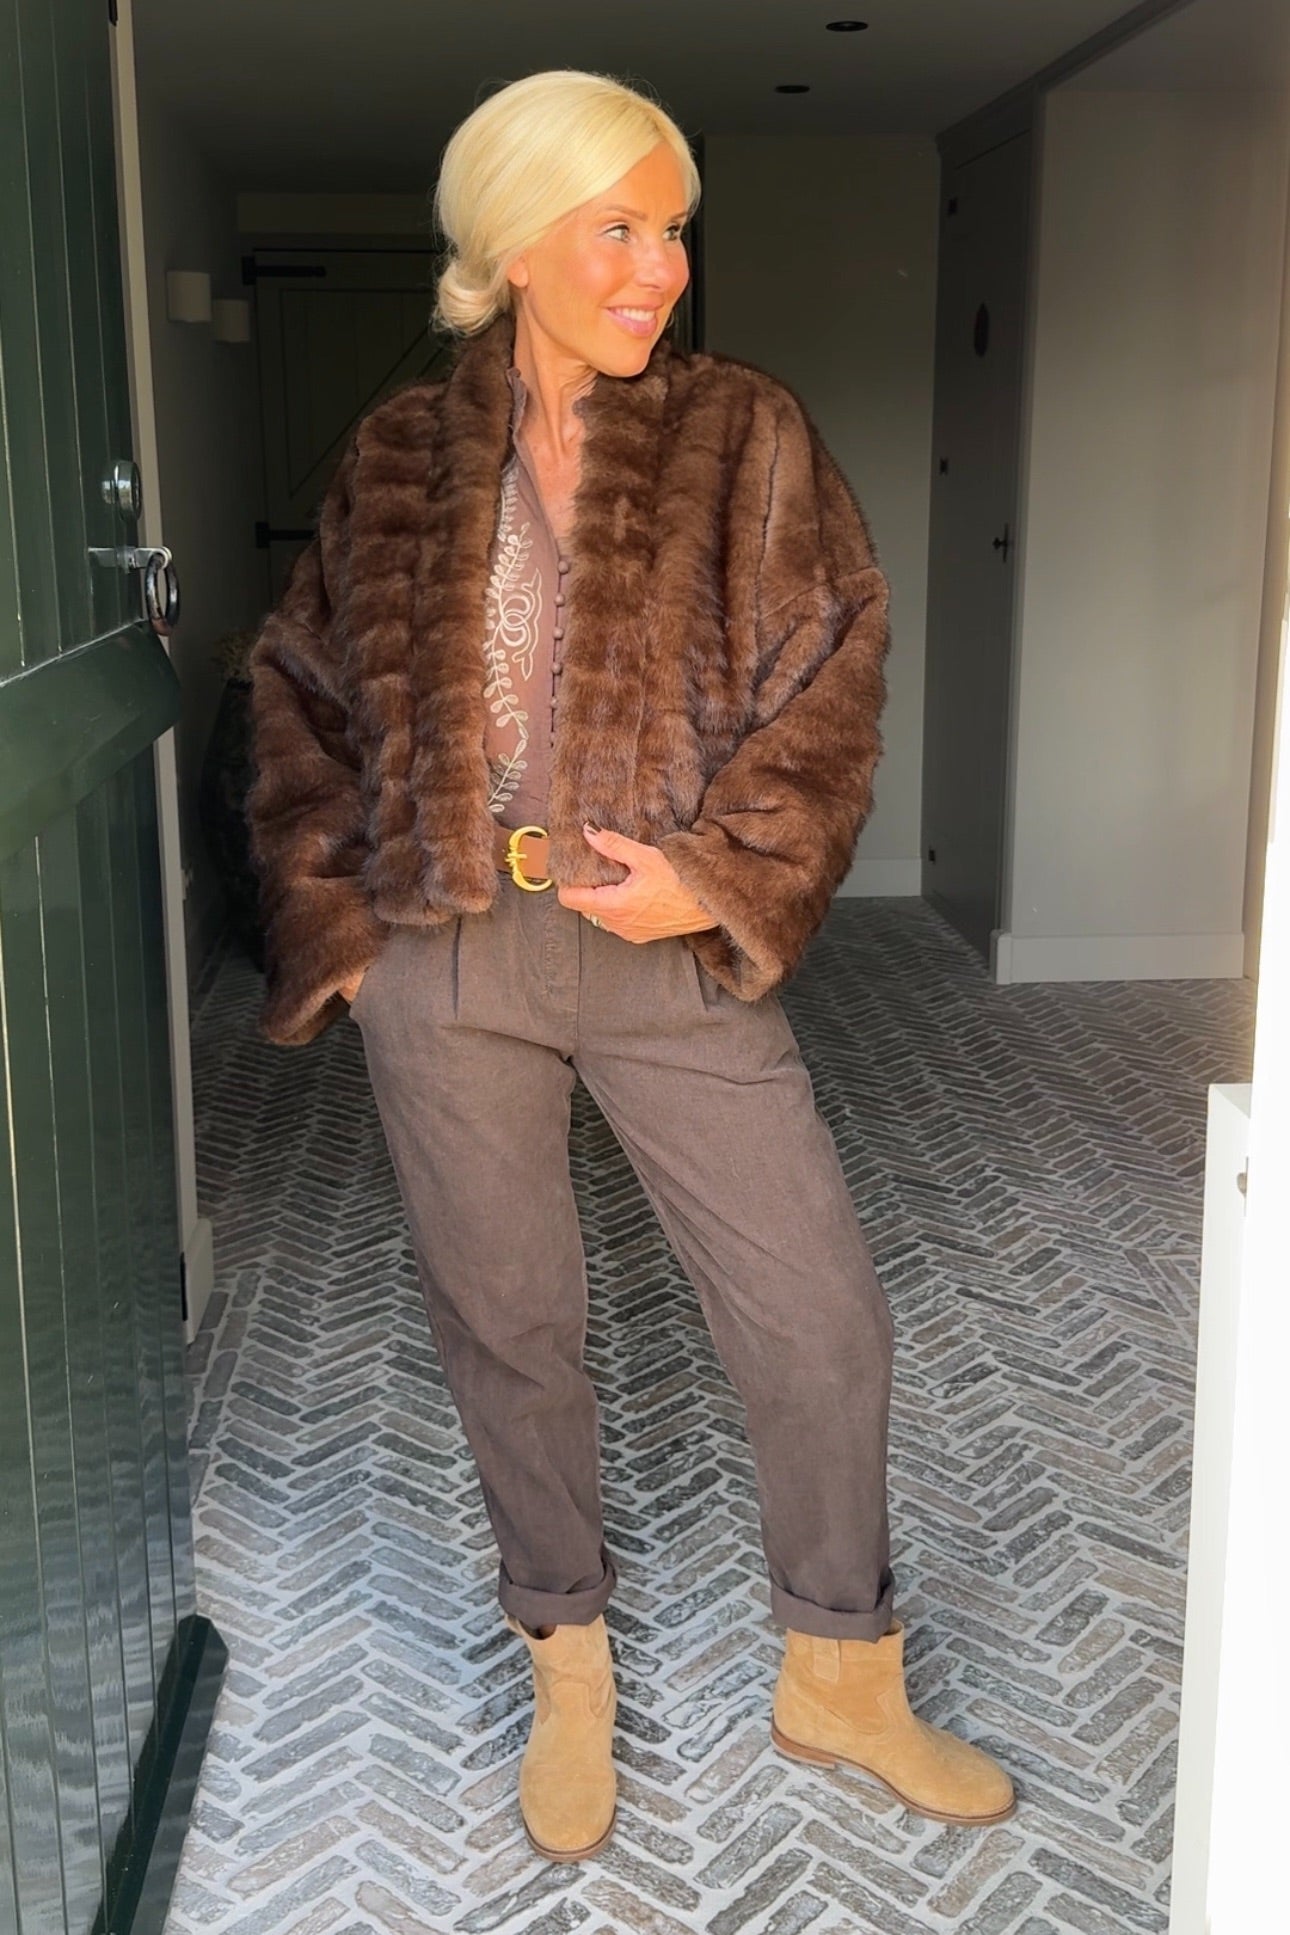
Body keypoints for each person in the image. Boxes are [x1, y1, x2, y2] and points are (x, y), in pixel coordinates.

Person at [245, 67, 1015, 1864]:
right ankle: (566, 1667)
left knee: (818, 1317)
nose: (658, 266)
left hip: (659, 940)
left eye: (672, 229)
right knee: (508, 1323)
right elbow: (298, 690)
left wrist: (725, 877)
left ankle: (840, 1675)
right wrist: (342, 933)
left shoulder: (743, 434)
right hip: (445, 954)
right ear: (515, 241)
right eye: (616, 226)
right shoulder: (394, 455)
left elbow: (829, 667)